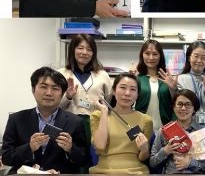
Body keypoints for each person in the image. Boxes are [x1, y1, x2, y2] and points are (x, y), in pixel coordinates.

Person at [1, 67, 87, 173]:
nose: (49, 93)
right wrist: (30, 147)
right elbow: (6, 158)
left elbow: (84, 160)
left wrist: (70, 148)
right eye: (43, 87)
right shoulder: (16, 119)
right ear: (33, 90)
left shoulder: (75, 122)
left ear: (62, 93)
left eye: (55, 88)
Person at [58, 34, 112, 171]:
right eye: (80, 48)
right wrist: (68, 96)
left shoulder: (102, 75)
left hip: (96, 123)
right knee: (72, 161)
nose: (84, 52)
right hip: (70, 124)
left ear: (93, 53)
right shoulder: (62, 74)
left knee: (95, 160)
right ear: (72, 50)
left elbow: (109, 100)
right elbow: (54, 106)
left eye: (89, 49)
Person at [89, 73, 153, 174]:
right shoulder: (98, 116)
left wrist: (145, 150)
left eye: (133, 89)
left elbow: (142, 157)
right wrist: (104, 111)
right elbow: (100, 146)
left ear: (137, 95)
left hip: (136, 172)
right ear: (114, 91)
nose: (127, 93)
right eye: (123, 87)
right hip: (105, 171)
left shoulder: (145, 120)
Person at [159, 41, 205, 135]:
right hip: (188, 125)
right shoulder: (179, 78)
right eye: (196, 56)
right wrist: (173, 90)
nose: (199, 60)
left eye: (203, 57)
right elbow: (177, 105)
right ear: (189, 58)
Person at [150, 89, 205, 174]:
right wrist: (165, 151)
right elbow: (152, 163)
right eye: (179, 104)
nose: (183, 108)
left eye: (188, 105)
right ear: (173, 107)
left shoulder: (203, 132)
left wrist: (189, 163)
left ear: (194, 108)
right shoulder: (163, 131)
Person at [133, 39, 172, 132]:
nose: (151, 58)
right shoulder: (137, 78)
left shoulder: (168, 79)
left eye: (155, 54)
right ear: (142, 55)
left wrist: (173, 89)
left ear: (160, 56)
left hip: (165, 129)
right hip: (140, 129)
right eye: (147, 53)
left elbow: (175, 103)